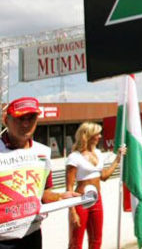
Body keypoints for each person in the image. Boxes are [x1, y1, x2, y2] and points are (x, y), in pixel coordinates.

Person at [0, 97, 79, 249]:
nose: (26, 124)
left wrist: (60, 197)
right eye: (20, 118)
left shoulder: (43, 152)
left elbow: (44, 193)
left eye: (31, 118)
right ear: (6, 120)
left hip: (33, 235)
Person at [65, 121, 125, 249]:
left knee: (96, 240)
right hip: (80, 201)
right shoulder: (74, 157)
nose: (100, 136)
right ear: (88, 135)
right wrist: (72, 211)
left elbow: (104, 176)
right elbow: (69, 187)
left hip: (96, 200)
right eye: (97, 134)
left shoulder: (98, 153)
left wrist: (118, 159)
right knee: (76, 243)